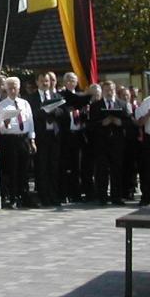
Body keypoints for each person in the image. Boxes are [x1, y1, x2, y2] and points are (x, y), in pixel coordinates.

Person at [88, 80, 131, 205]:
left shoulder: (122, 104)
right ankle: (102, 197)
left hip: (117, 142)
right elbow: (90, 125)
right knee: (101, 170)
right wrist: (102, 123)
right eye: (106, 90)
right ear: (103, 91)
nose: (109, 92)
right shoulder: (96, 105)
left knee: (117, 169)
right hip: (101, 142)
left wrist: (120, 122)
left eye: (111, 90)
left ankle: (116, 196)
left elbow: (129, 122)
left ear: (114, 90)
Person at [0, 77, 35, 209]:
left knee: (24, 169)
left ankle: (24, 195)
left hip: (23, 138)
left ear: (18, 88)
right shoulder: (2, 105)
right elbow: (1, 128)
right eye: (10, 88)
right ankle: (13, 197)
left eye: (15, 88)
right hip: (10, 139)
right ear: (6, 89)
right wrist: (5, 124)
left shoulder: (24, 103)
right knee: (13, 169)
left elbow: (30, 122)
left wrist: (32, 139)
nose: (12, 90)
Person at [28, 72, 60, 207]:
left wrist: (54, 111)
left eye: (47, 81)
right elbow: (31, 115)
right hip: (40, 136)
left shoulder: (56, 96)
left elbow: (63, 112)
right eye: (42, 81)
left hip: (53, 136)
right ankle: (43, 196)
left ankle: (54, 196)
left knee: (54, 167)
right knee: (41, 168)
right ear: (37, 82)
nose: (45, 83)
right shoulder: (31, 98)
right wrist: (44, 111)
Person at [57, 72, 85, 203]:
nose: (70, 82)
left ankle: (77, 193)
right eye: (67, 80)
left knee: (77, 166)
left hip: (78, 134)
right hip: (65, 135)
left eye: (73, 80)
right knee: (65, 166)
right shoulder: (60, 96)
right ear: (64, 82)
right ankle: (64, 193)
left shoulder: (80, 96)